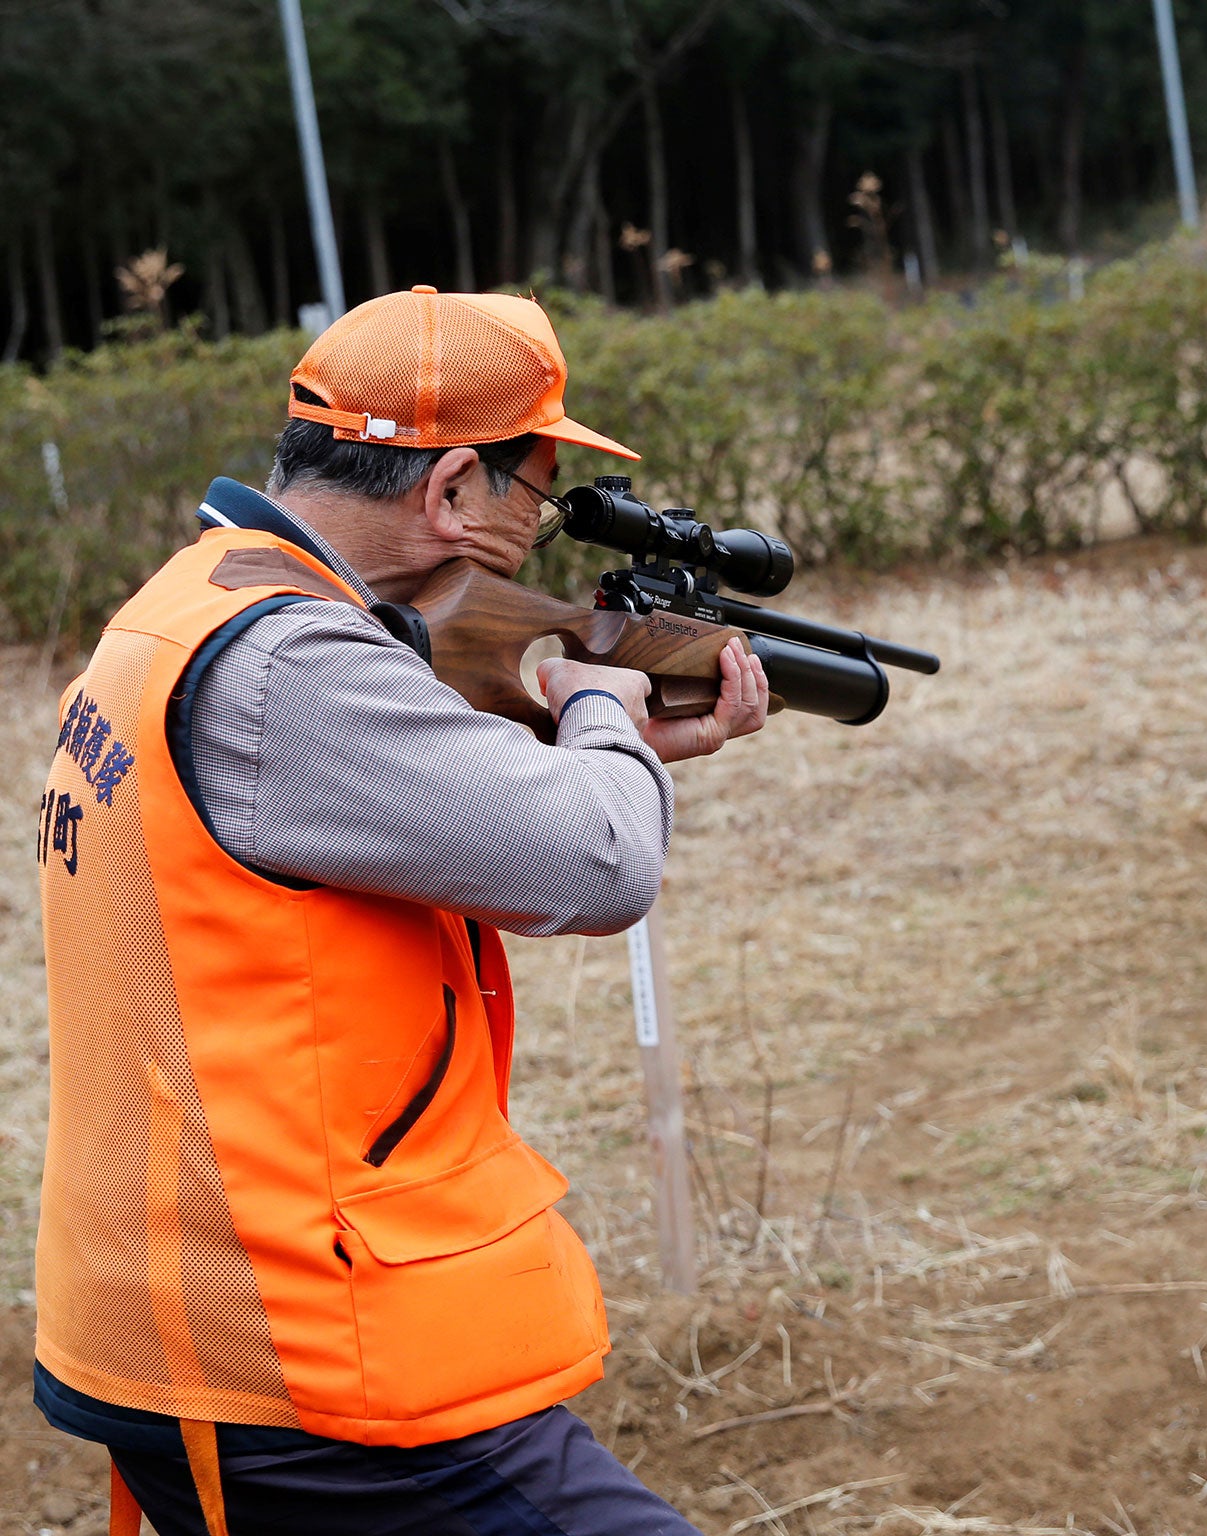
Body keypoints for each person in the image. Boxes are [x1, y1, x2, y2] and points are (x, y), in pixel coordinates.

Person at [32, 286, 766, 1535]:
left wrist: (596, 730)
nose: (534, 534)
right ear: (450, 492)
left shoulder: (200, 601)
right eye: (532, 498)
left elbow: (393, 807)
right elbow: (597, 864)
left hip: (215, 1312)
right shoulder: (291, 671)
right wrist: (598, 706)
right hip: (303, 1364)